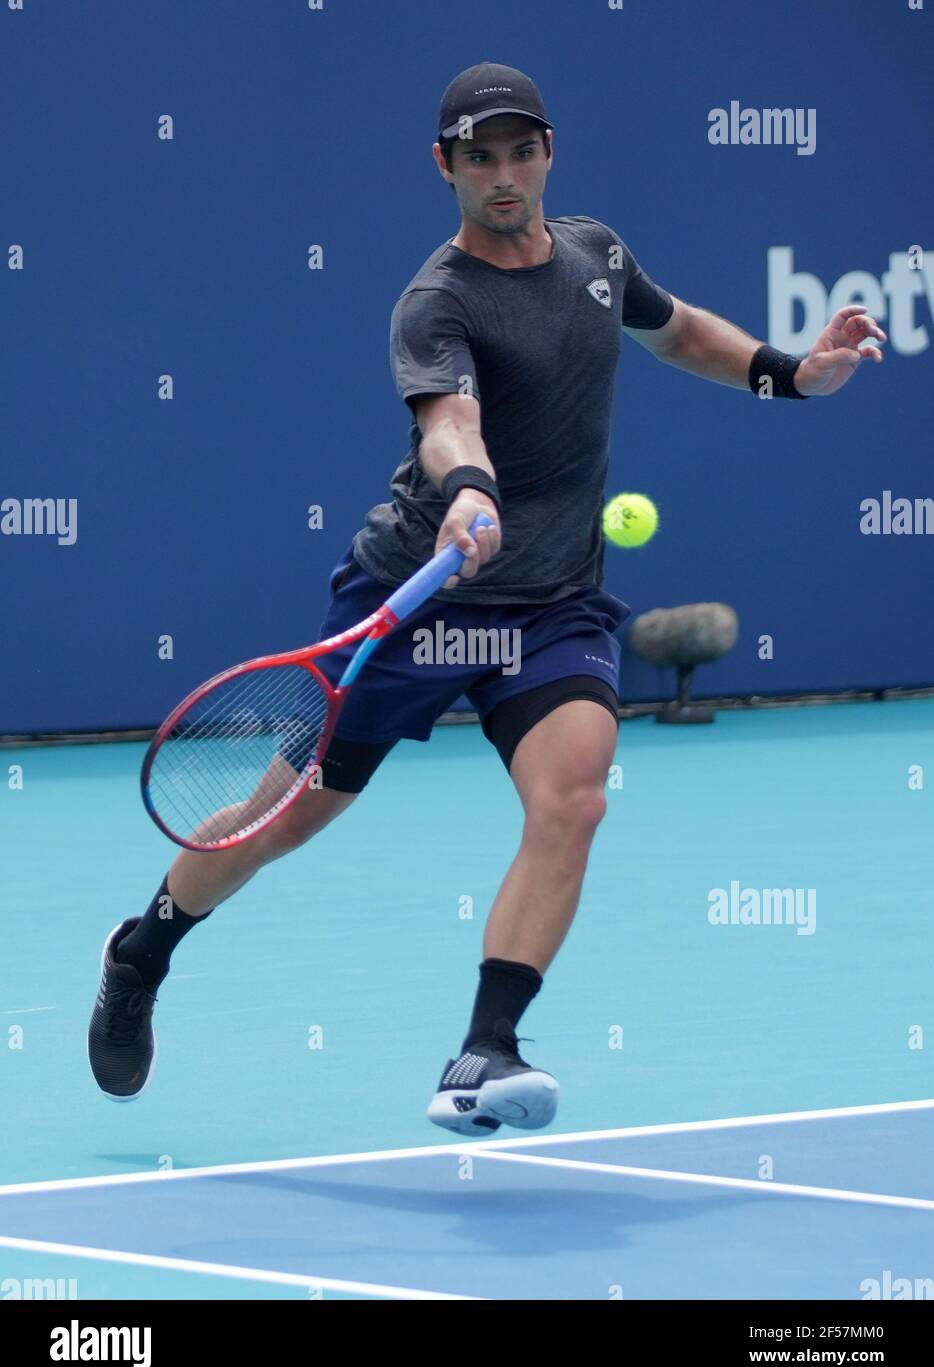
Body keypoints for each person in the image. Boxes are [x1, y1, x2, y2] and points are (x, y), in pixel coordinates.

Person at [89, 61, 885, 1135]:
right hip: (417, 597)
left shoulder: (597, 256)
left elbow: (678, 329)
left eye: (520, 151)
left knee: (576, 794)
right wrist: (468, 488)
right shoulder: (438, 301)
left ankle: (483, 1050)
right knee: (288, 817)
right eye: (479, 156)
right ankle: (144, 951)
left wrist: (790, 374)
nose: (503, 174)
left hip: (552, 599)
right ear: (446, 166)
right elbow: (448, 420)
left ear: (548, 152)